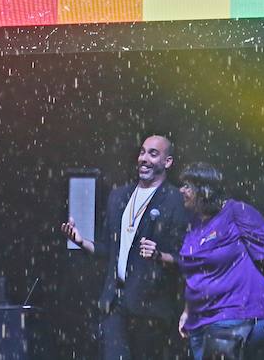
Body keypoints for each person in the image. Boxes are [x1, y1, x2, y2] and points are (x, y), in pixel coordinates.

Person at [62, 134, 190, 359]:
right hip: (114, 304)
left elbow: (185, 258)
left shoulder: (175, 200)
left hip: (150, 309)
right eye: (142, 152)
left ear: (167, 162)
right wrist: (81, 242)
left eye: (153, 153)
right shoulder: (119, 196)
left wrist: (159, 255)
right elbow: (107, 250)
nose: (144, 158)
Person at [175, 162, 264, 359]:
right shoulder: (193, 224)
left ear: (204, 189)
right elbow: (195, 273)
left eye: (187, 186)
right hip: (200, 319)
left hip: (236, 311)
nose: (181, 190)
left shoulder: (236, 211)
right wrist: (187, 312)